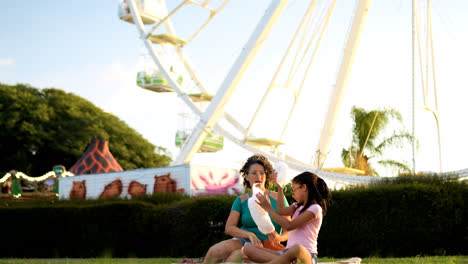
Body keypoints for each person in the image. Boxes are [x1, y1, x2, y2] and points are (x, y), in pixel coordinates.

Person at [202, 154, 290, 264]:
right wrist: (249, 235)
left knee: (241, 260)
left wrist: (279, 238)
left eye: (262, 173)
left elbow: (289, 230)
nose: (259, 176)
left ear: (266, 176)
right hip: (244, 241)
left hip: (269, 246)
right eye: (254, 173)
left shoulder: (278, 197)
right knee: (215, 251)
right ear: (247, 176)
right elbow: (229, 228)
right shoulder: (241, 200)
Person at [241, 171, 331, 264]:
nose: (293, 194)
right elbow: (281, 211)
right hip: (287, 255)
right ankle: (281, 262)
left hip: (305, 255)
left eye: (294, 190)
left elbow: (289, 226)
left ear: (304, 187)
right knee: (247, 248)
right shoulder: (296, 206)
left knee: (297, 248)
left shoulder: (315, 209)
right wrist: (280, 188)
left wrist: (268, 208)